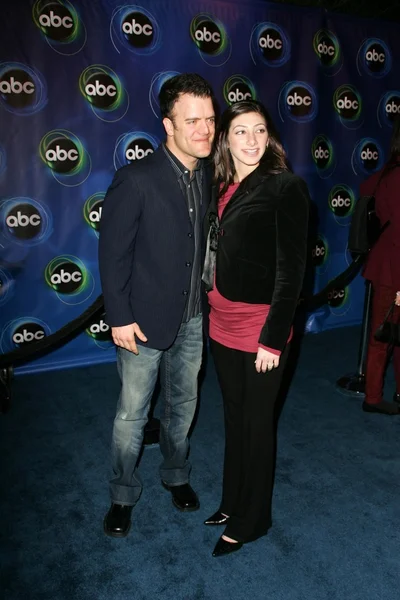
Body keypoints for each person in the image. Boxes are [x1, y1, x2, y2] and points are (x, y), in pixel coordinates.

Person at [98, 73, 216, 538]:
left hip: (191, 319)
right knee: (132, 414)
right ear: (168, 125)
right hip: (140, 324)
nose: (205, 130)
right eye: (193, 121)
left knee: (184, 406)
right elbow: (113, 254)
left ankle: (176, 474)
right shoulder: (136, 178)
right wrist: (120, 317)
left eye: (209, 119)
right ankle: (122, 494)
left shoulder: (207, 173)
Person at [201, 100, 310, 557]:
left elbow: (292, 270)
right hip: (221, 323)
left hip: (259, 328)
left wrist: (273, 337)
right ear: (226, 139)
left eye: (259, 131)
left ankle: (253, 519)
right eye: (241, 131)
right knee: (234, 416)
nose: (251, 141)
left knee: (257, 424)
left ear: (270, 138)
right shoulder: (223, 185)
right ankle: (232, 500)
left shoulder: (285, 187)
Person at [360, 115, 400, 416]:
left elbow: (366, 189)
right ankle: (373, 397)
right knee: (383, 334)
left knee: (387, 333)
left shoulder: (388, 171)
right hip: (392, 268)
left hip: (386, 263)